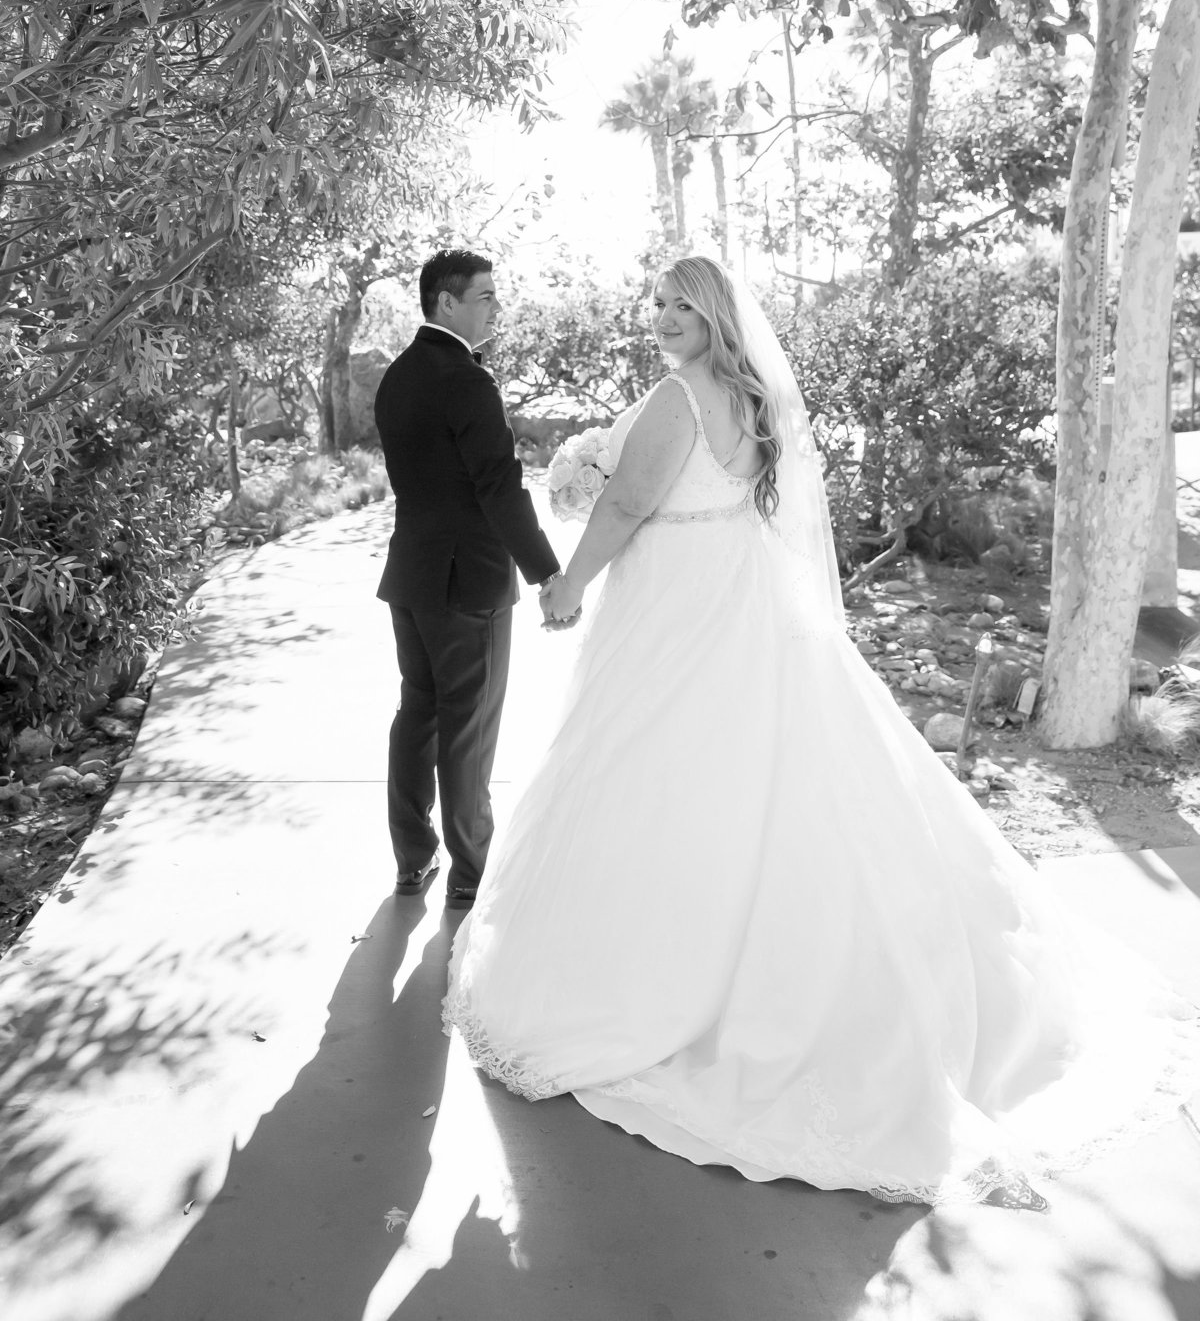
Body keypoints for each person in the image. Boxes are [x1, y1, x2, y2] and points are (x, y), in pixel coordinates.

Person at [443, 254, 1200, 1206]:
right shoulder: (753, 399)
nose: (667, 318)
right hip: (738, 598)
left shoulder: (679, 398)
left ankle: (665, 982)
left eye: (684, 304)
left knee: (666, 780)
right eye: (661, 304)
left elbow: (633, 504)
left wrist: (566, 583)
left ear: (717, 314)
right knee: (755, 781)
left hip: (677, 612)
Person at [374, 249, 574, 910]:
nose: (496, 306)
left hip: (412, 576)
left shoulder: (396, 378)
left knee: (419, 714)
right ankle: (471, 869)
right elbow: (498, 487)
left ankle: (412, 859)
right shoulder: (467, 381)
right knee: (468, 728)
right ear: (446, 302)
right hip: (469, 585)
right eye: (485, 295)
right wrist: (546, 570)